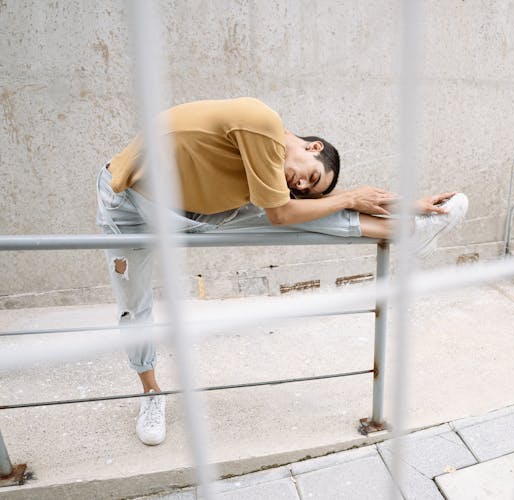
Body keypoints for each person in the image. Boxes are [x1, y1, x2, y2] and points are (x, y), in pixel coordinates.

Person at [96, 97, 468, 446]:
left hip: (194, 213)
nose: (302, 185)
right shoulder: (262, 124)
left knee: (302, 213)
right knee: (134, 303)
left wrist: (411, 203)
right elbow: (283, 213)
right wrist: (349, 196)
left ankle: (409, 228)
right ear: (314, 148)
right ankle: (150, 393)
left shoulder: (274, 169)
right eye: (311, 177)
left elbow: (302, 209)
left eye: (307, 187)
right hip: (130, 206)